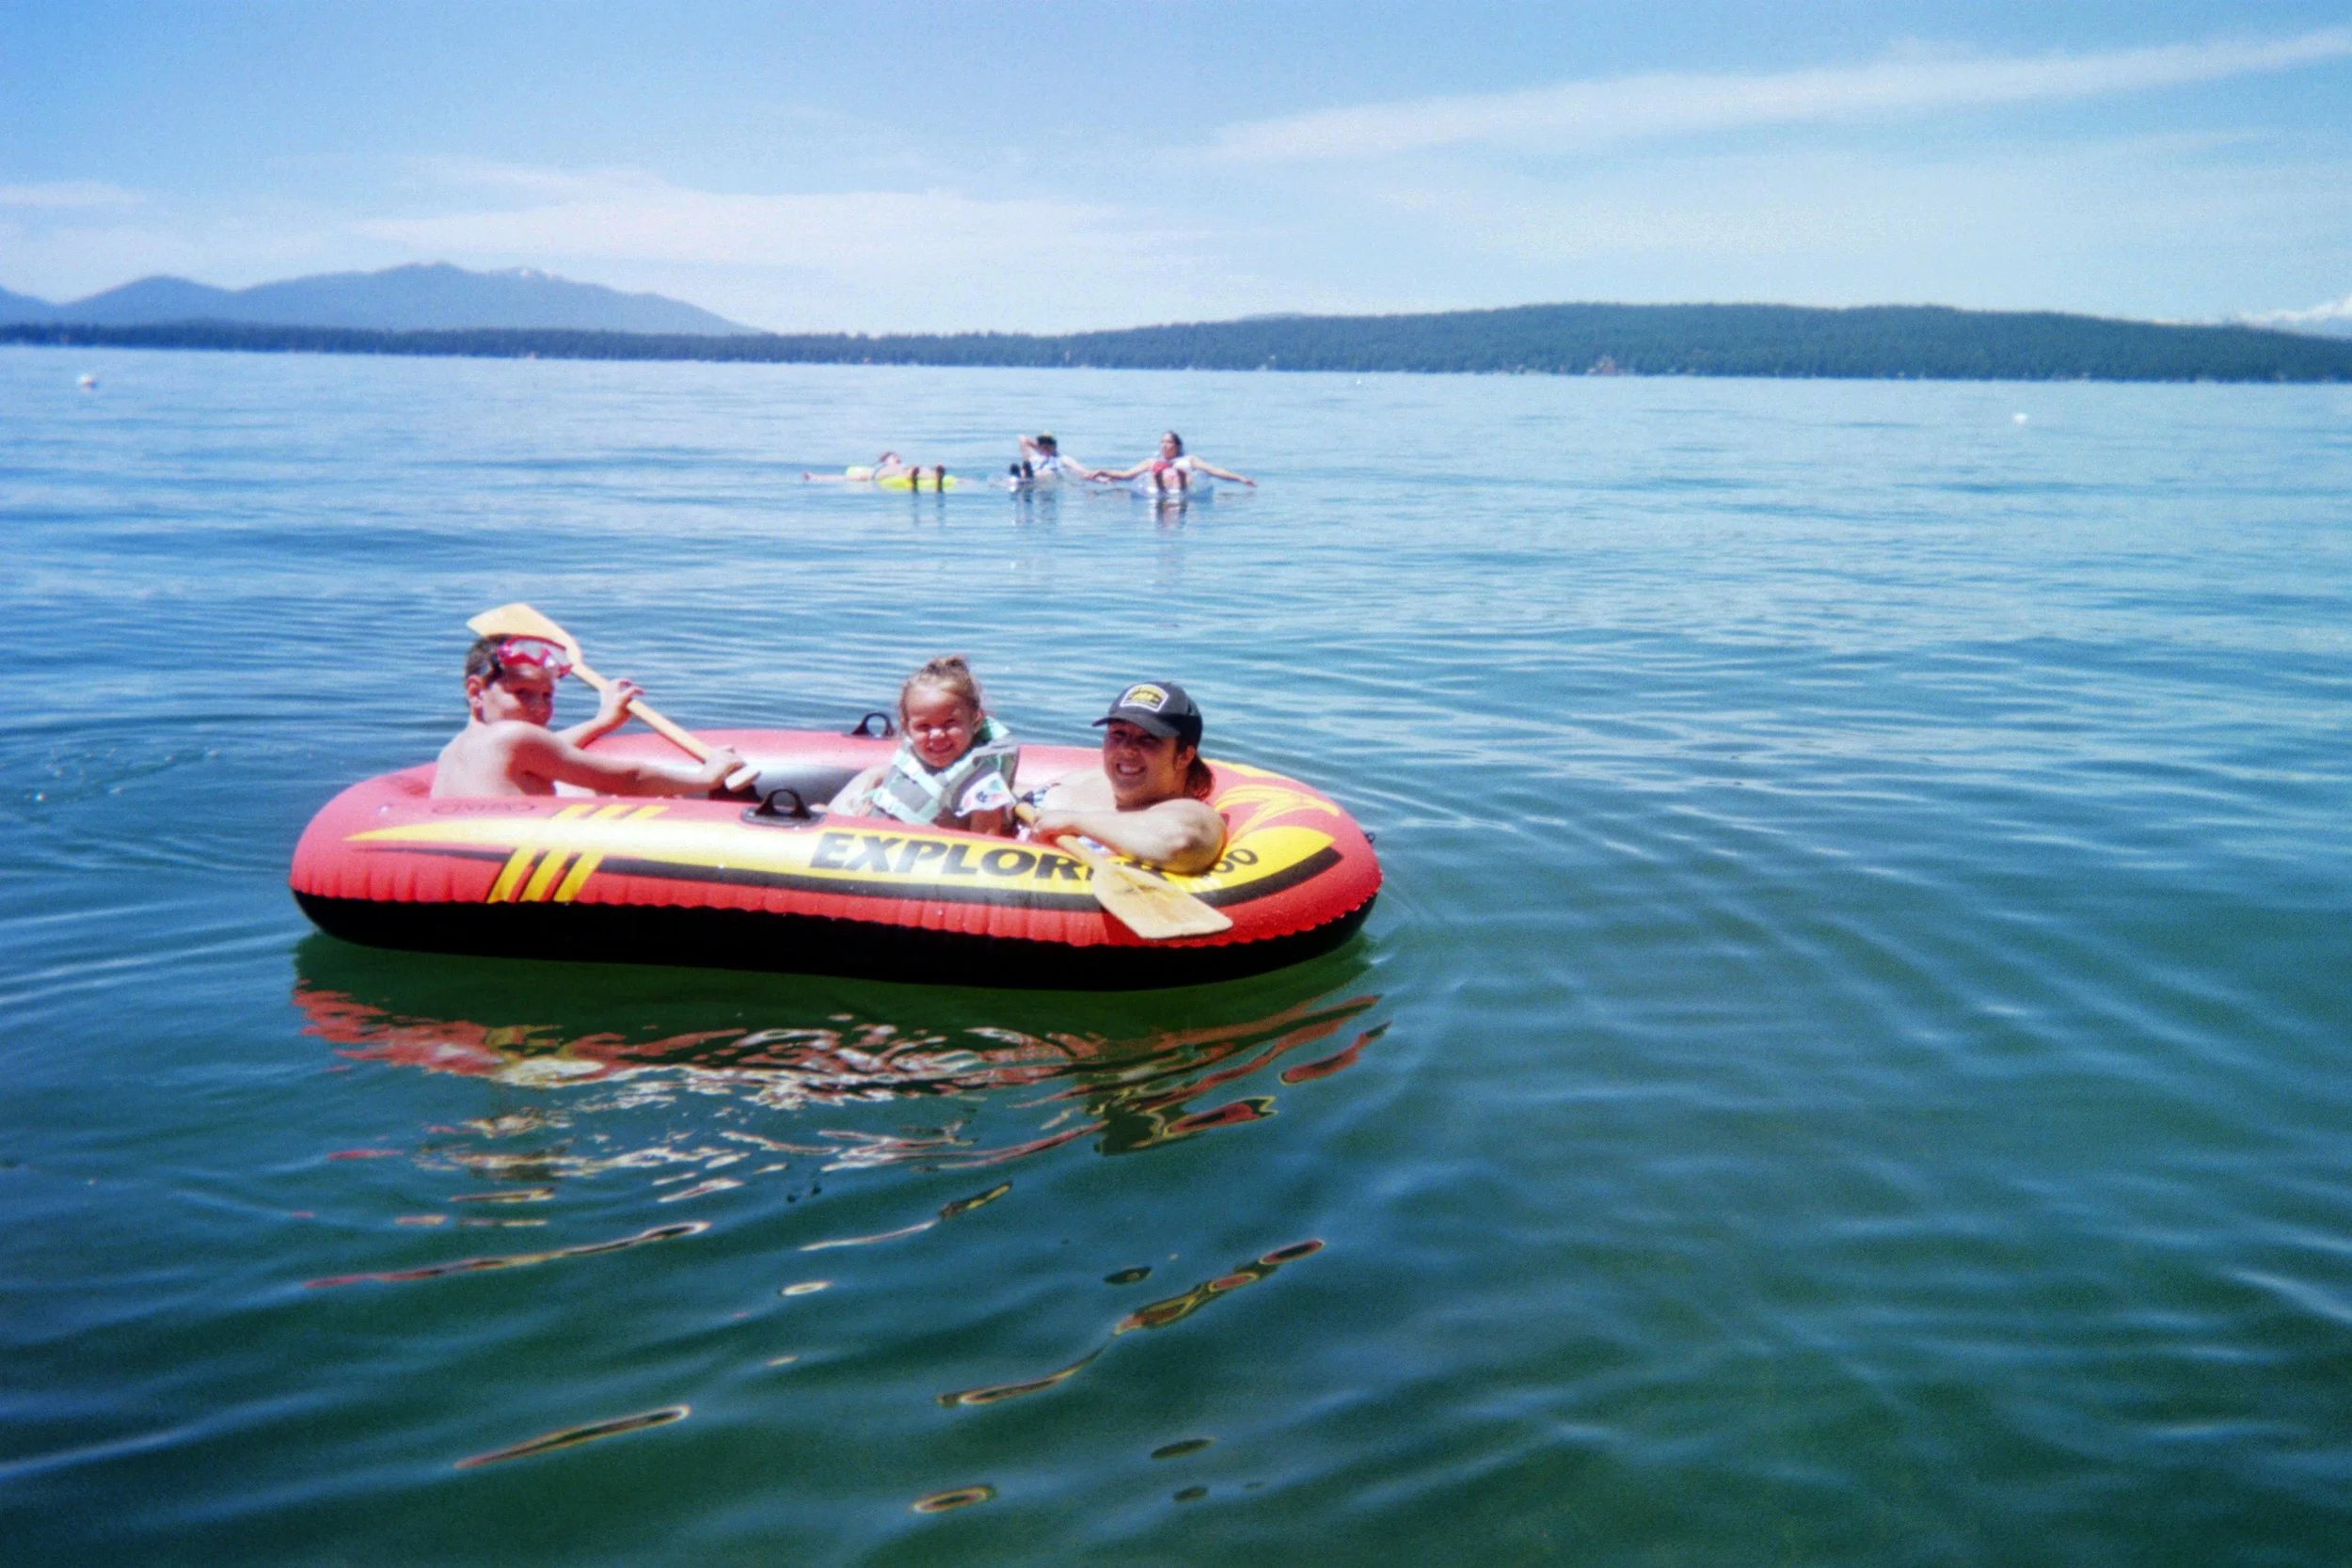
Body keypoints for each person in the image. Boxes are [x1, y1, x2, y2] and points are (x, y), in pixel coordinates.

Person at [432, 634, 745, 799]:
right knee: (616, 793)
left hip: (467, 874)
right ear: (476, 692)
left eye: (547, 695)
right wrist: (707, 777)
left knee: (577, 789)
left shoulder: (453, 751)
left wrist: (601, 723)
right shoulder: (515, 737)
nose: (540, 707)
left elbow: (550, 749)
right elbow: (629, 778)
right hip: (510, 868)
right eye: (522, 692)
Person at [1026, 681, 1227, 874]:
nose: (1127, 749)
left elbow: (1181, 844)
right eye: (1118, 733)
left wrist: (1074, 822)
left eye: (1148, 739)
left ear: (1184, 756)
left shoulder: (1190, 815)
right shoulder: (1088, 778)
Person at [827, 656, 1020, 834]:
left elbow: (984, 845)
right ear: (907, 726)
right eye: (924, 726)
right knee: (816, 814)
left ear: (975, 720)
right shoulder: (914, 756)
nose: (936, 735)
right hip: (870, 833)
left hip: (914, 856)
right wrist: (870, 797)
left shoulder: (982, 786)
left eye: (950, 724)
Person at [1089, 431, 1255, 495]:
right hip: (1158, 488)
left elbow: (1215, 471)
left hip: (1182, 487)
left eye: (1168, 442)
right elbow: (1126, 475)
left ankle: (1179, 479)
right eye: (1162, 442)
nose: (1164, 445)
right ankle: (1161, 479)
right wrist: (1102, 471)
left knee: (1179, 472)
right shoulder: (1151, 461)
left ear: (1177, 446)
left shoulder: (1189, 459)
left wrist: (1240, 478)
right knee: (1157, 472)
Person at [1011, 432, 1089, 483]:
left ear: (1054, 445)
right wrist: (1041, 448)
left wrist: (1094, 475)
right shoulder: (1033, 456)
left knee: (1044, 473)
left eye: (1048, 443)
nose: (1045, 445)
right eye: (1042, 442)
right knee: (1026, 467)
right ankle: (1022, 476)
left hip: (1042, 477)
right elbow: (1022, 439)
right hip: (1030, 473)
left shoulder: (1062, 458)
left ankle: (1027, 477)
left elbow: (1081, 470)